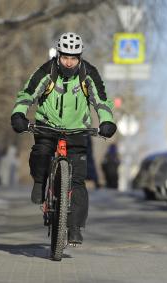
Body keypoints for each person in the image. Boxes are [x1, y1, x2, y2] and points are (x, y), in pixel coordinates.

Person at [10, 32, 117, 244]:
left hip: (77, 130)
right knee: (41, 153)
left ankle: (75, 227)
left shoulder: (89, 74)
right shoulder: (46, 71)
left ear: (80, 57)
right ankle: (40, 182)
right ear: (58, 55)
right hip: (47, 126)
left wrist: (106, 121)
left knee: (77, 180)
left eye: (74, 58)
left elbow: (102, 100)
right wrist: (19, 114)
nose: (69, 62)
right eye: (65, 57)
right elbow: (27, 94)